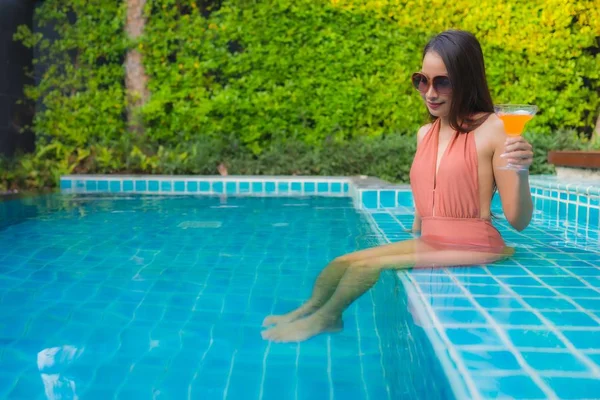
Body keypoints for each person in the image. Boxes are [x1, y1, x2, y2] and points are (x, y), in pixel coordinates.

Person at [261, 29, 534, 343]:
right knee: (341, 263)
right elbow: (429, 189)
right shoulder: (424, 134)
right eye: (422, 80)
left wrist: (521, 171)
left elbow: (519, 220)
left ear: (467, 79)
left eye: (442, 81)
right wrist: (417, 225)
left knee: (366, 268)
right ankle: (308, 308)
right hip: (434, 240)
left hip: (475, 243)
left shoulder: (495, 128)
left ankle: (327, 318)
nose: (429, 92)